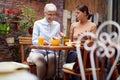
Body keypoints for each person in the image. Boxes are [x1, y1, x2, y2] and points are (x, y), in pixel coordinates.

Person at [27, 3, 62, 80]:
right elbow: (34, 40)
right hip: (37, 51)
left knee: (52, 58)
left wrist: (59, 38)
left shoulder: (57, 25)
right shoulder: (38, 24)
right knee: (40, 61)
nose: (52, 17)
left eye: (54, 15)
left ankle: (48, 78)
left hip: (50, 51)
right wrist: (41, 42)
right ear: (44, 13)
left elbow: (57, 39)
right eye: (49, 14)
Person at [66, 4, 96, 80]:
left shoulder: (92, 25)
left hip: (86, 52)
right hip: (74, 50)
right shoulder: (74, 25)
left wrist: (86, 38)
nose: (76, 15)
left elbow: (93, 43)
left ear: (85, 13)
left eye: (78, 13)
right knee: (74, 55)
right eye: (75, 13)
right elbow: (70, 41)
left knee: (78, 57)